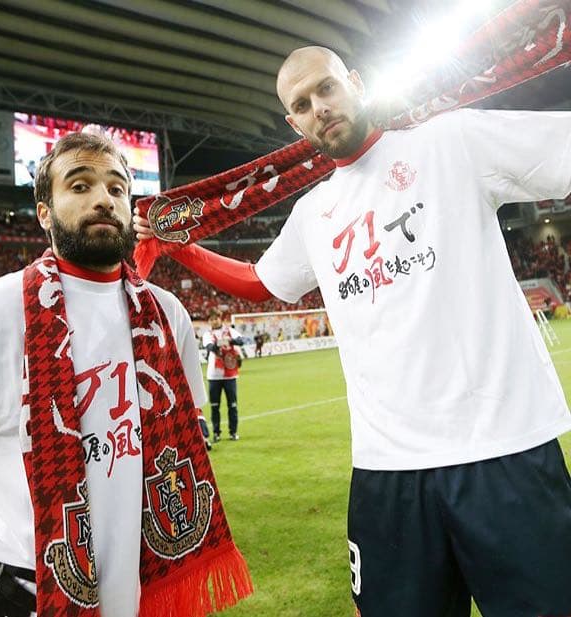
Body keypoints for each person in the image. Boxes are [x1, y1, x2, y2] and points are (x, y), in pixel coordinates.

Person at [135, 46, 571, 617]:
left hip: (501, 451)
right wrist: (181, 249)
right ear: (293, 124)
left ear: (356, 84)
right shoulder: (314, 212)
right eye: (302, 104)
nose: (320, 107)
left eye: (327, 89)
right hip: (386, 472)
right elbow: (262, 283)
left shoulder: (450, 142)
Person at [0, 133, 251, 617]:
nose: (104, 198)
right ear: (44, 213)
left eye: (117, 188)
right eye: (79, 186)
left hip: (150, 586)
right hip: (29, 592)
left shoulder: (168, 315)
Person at [202, 309, 244, 442]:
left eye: (216, 318)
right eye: (211, 319)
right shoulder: (207, 334)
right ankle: (216, 433)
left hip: (230, 375)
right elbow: (210, 347)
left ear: (220, 319)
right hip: (214, 375)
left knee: (232, 405)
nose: (214, 321)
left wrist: (230, 340)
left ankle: (233, 432)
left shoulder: (229, 330)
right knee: (215, 406)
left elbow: (241, 340)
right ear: (209, 321)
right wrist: (223, 342)